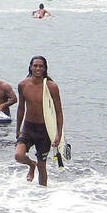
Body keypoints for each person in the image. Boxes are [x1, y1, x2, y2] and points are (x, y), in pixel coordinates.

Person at [15, 56, 62, 186]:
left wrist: (58, 134)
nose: (38, 68)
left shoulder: (51, 87)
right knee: (18, 156)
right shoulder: (23, 85)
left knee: (42, 166)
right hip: (28, 127)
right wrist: (18, 129)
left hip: (45, 130)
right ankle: (31, 165)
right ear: (30, 67)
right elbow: (20, 108)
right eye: (35, 65)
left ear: (45, 68)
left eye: (41, 66)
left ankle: (42, 196)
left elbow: (58, 112)